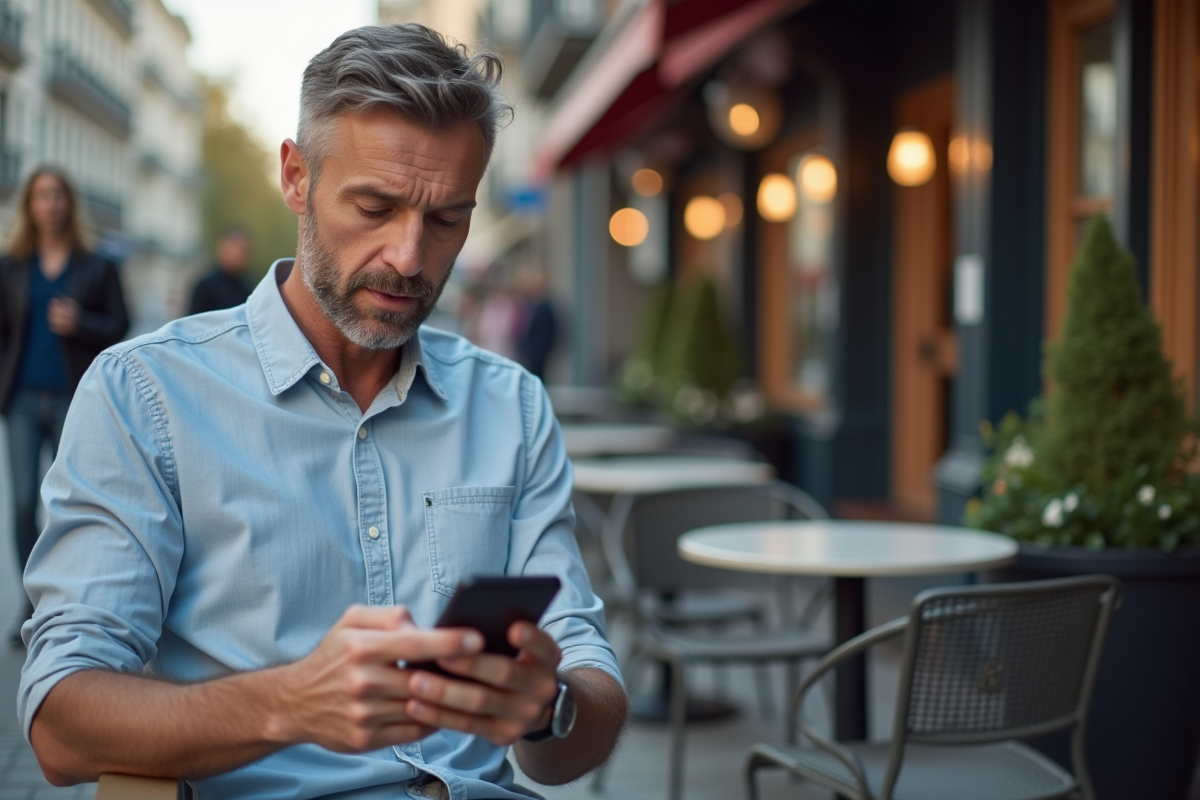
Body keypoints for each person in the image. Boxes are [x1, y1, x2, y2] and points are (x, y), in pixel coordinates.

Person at [19, 23, 625, 800]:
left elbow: (585, 711)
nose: (409, 257)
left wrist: (549, 710)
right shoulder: (146, 395)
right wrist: (287, 704)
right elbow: (60, 728)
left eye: (446, 219)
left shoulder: (511, 405)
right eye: (374, 206)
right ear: (296, 177)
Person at [0, 167, 128, 644]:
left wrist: (81, 322)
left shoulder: (97, 265)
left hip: (76, 399)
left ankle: (62, 608)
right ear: (29, 206)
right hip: (22, 401)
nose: (49, 204)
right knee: (19, 505)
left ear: (69, 204)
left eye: (57, 195)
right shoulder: (11, 265)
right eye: (40, 196)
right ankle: (30, 607)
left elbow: (119, 324)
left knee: (68, 505)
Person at [188, 226, 254, 314]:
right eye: (233, 246)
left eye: (243, 249)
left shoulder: (248, 289)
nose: (237, 253)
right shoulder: (206, 286)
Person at [514, 266, 556, 381]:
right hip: (526, 357)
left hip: (537, 360)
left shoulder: (545, 308)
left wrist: (535, 357)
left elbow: (548, 335)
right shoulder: (529, 305)